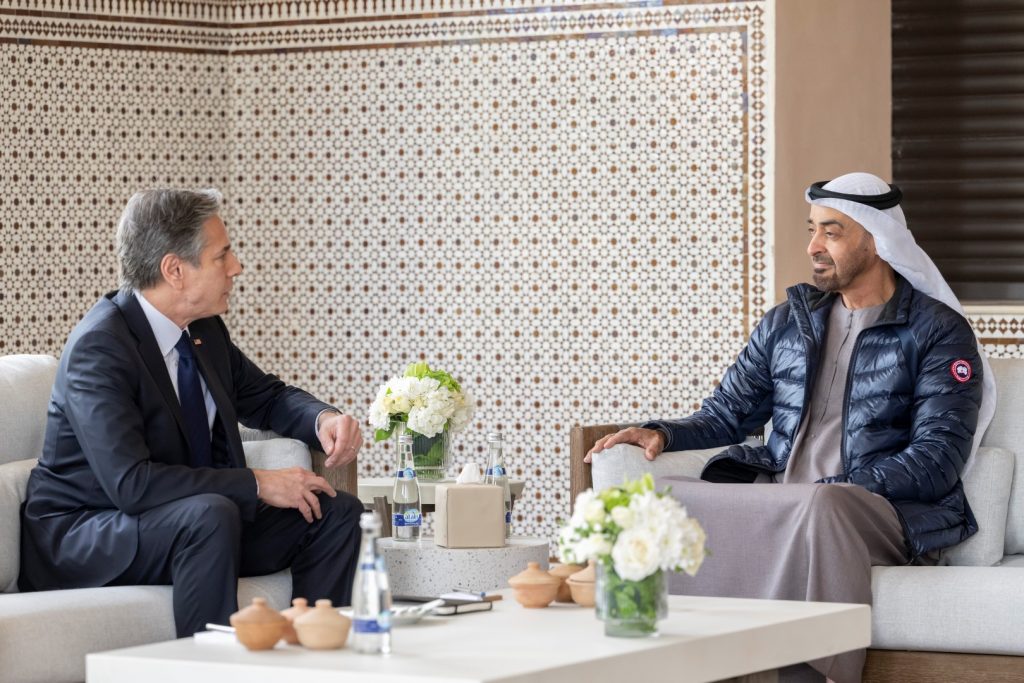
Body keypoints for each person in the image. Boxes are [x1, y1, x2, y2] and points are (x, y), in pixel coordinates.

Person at [586, 172, 995, 683]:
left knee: (822, 504)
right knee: (657, 499)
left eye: (832, 232)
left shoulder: (937, 330)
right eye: (812, 230)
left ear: (877, 240)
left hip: (876, 509)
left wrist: (838, 488)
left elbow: (938, 457)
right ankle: (668, 665)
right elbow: (728, 412)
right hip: (786, 495)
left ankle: (810, 675)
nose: (814, 247)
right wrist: (662, 433)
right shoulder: (787, 323)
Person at [19, 188, 366, 637]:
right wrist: (258, 482)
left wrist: (324, 420)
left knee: (333, 513)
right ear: (175, 270)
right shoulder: (100, 348)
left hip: (189, 520)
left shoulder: (203, 330)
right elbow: (131, 484)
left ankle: (316, 659)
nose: (236, 266)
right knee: (210, 516)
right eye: (222, 255)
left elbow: (267, 396)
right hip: (87, 531)